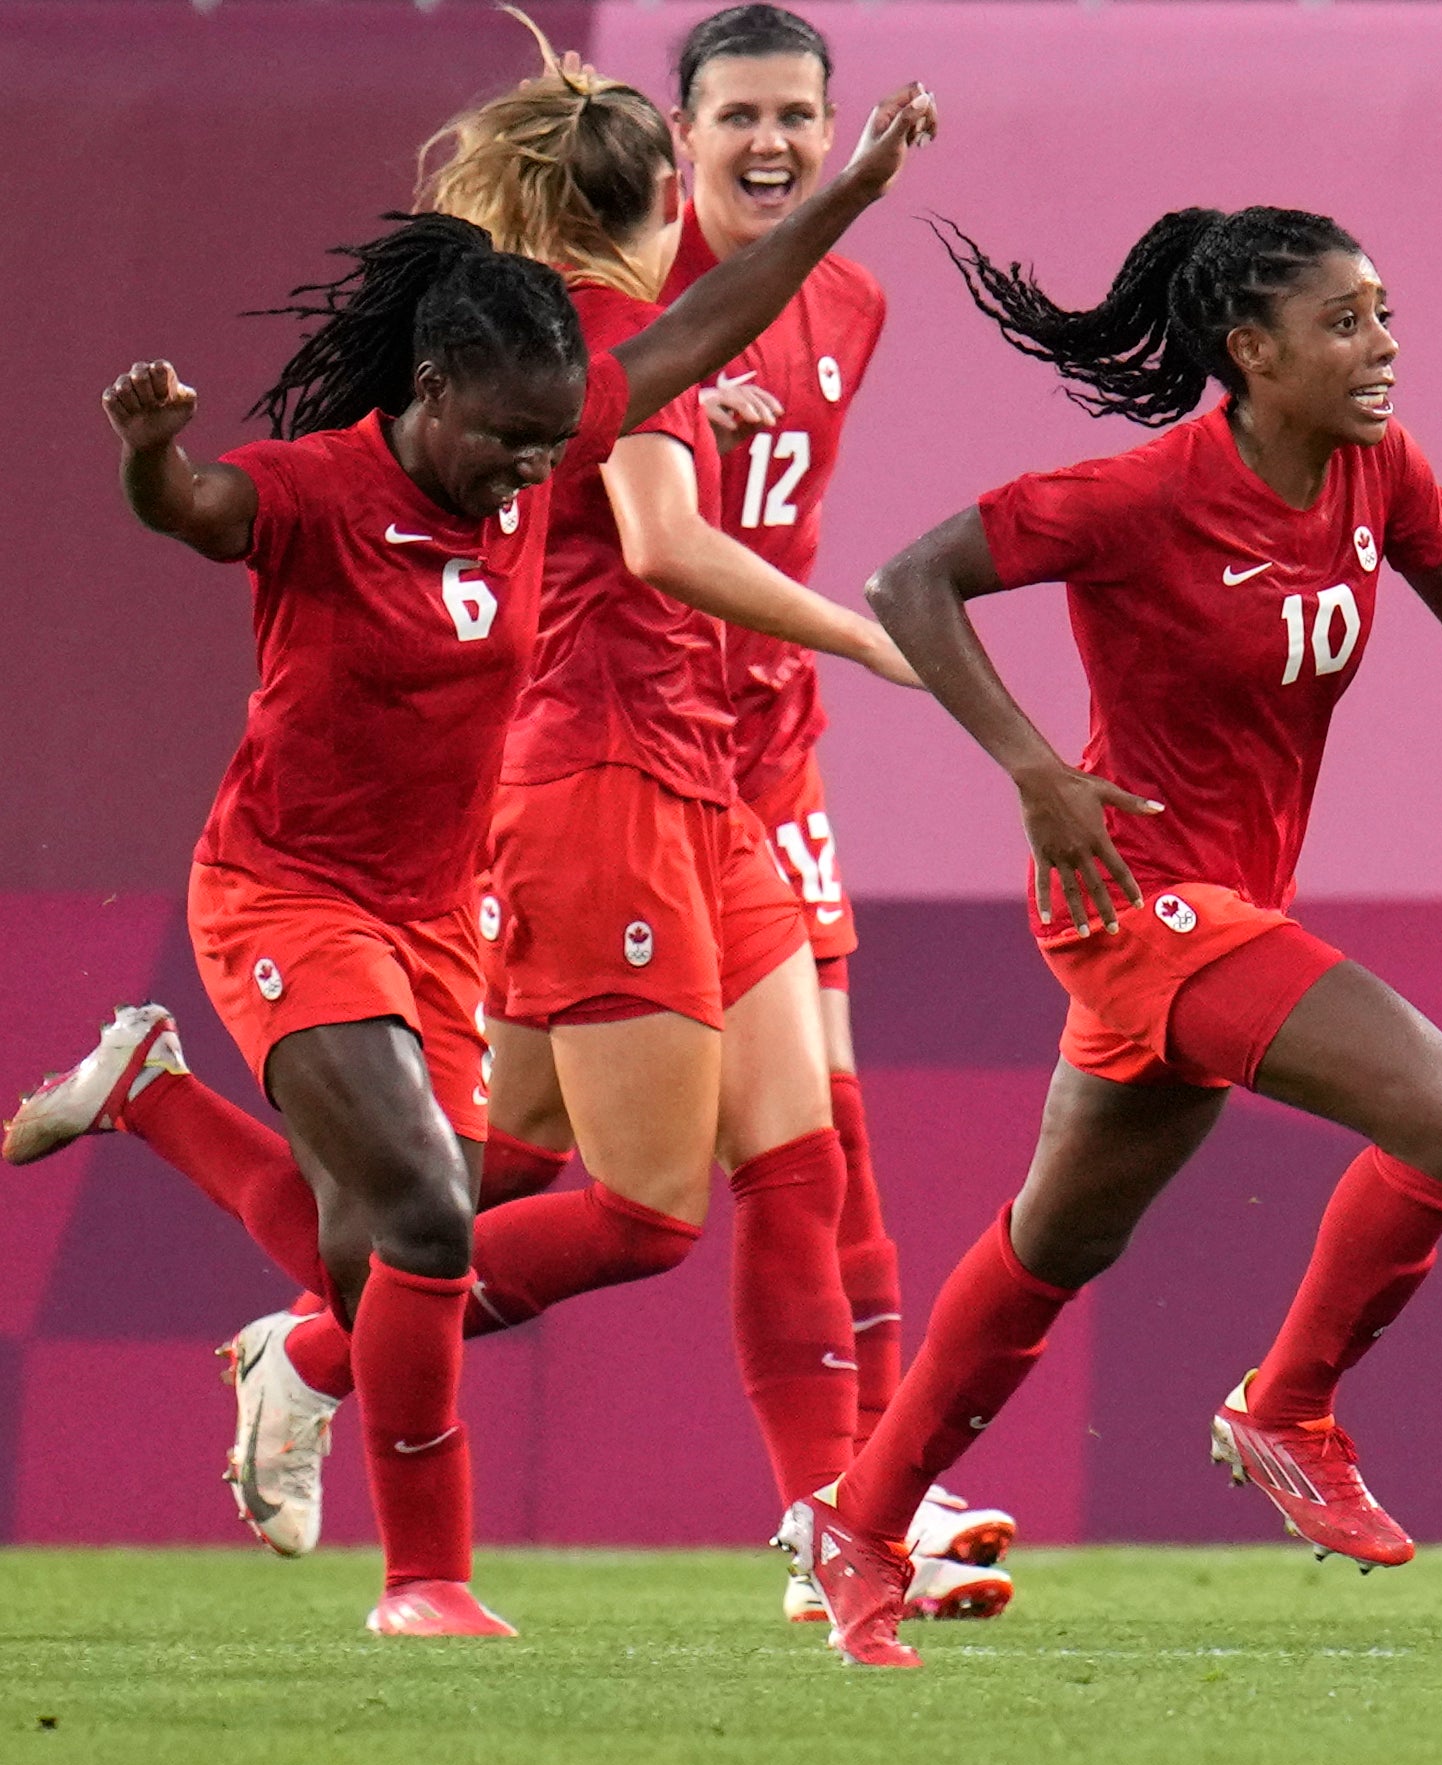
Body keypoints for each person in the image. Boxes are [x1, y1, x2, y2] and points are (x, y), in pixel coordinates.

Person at [4, 62, 927, 1633]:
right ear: (434, 401)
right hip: (407, 846)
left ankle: (164, 1119)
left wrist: (849, 196)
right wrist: (146, 455)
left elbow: (702, 330)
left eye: (545, 448)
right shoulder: (359, 467)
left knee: (468, 1205)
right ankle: (407, 1533)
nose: (527, 471)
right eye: (509, 446)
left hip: (507, 868)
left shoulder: (561, 405)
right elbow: (203, 506)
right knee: (490, 1216)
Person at [783, 205, 1442, 1667]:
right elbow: (910, 583)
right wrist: (1034, 772)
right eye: (1345, 324)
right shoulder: (1139, 496)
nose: (1382, 346)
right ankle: (1285, 1414)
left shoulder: (1376, 468)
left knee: (1057, 1242)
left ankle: (860, 1520)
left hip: (1224, 902)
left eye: (1384, 313)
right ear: (1251, 352)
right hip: (1134, 900)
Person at [652, 8, 1025, 1617]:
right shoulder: (615, 300)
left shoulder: (851, 299)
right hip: (620, 753)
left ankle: (863, 1501)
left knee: (823, 1144)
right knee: (552, 1178)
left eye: (796, 115)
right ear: (679, 137)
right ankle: (316, 1344)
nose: (770, 144)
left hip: (768, 751)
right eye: (737, 114)